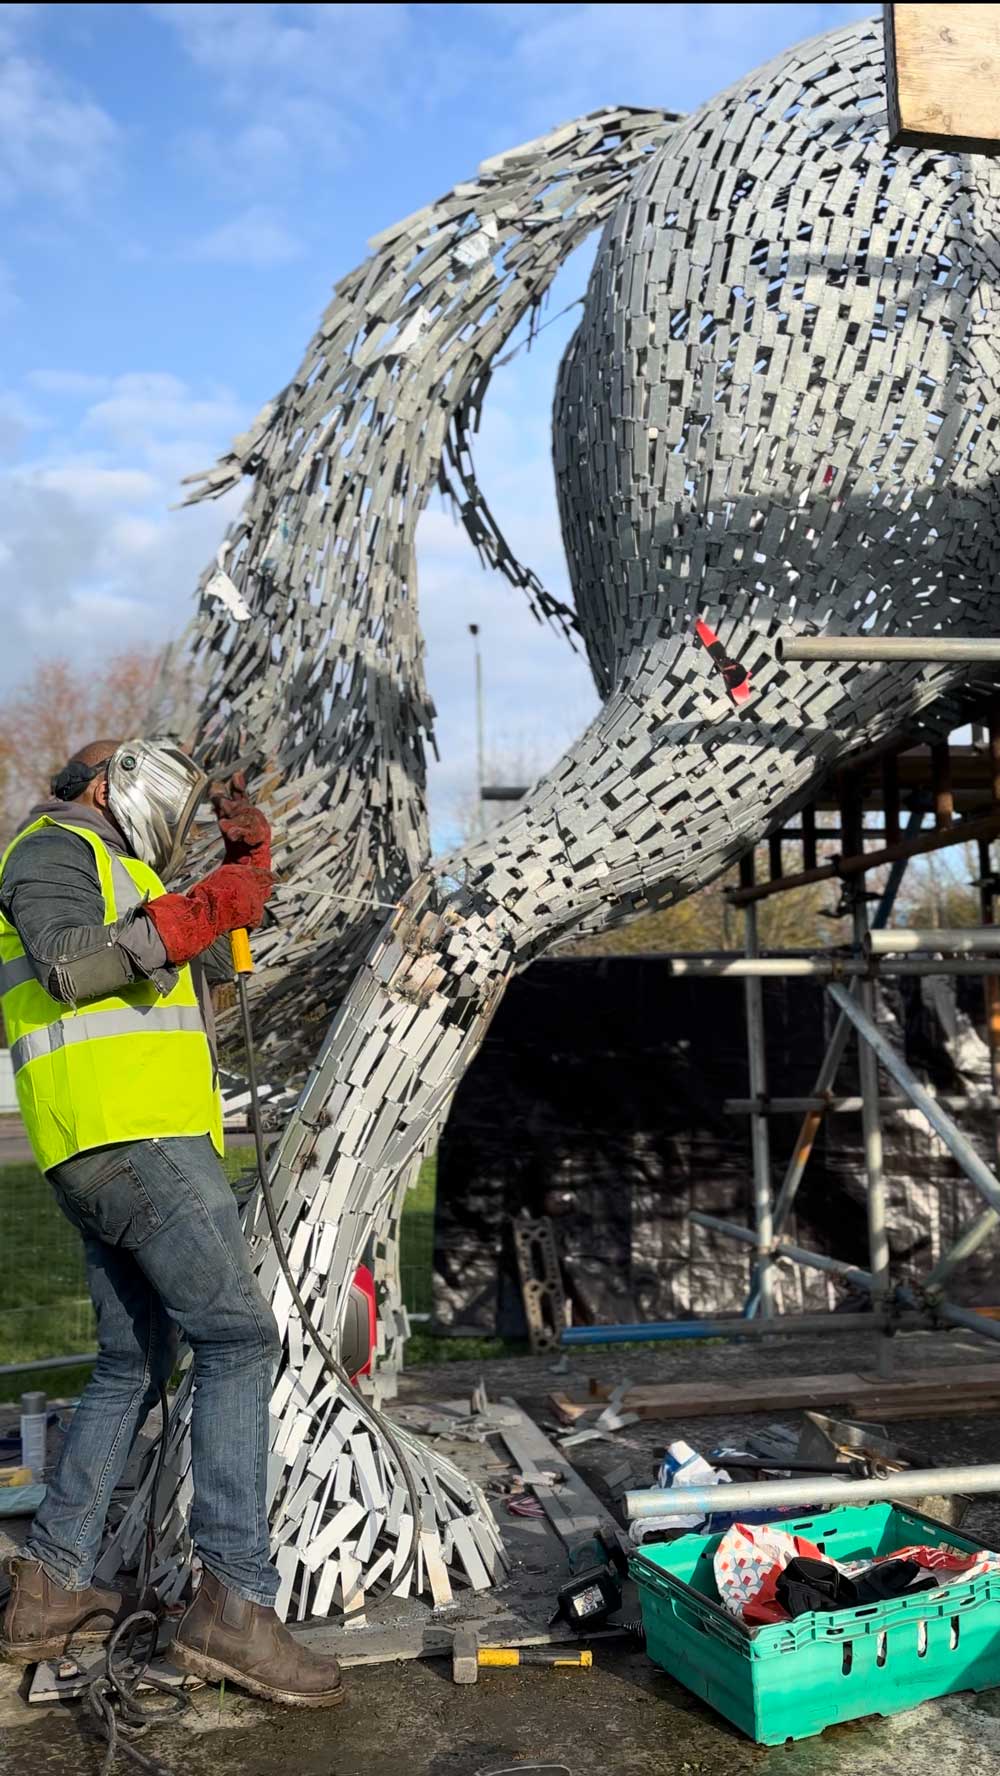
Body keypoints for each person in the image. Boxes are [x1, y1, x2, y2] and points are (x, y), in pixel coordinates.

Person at [0, 738, 345, 1708]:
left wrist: (242, 881)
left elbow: (182, 966)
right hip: (128, 1139)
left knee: (133, 1362)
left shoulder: (127, 871)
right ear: (109, 784)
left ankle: (51, 1587)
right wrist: (204, 904)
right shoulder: (51, 848)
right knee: (237, 1338)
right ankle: (234, 1610)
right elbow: (73, 967)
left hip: (113, 1141)